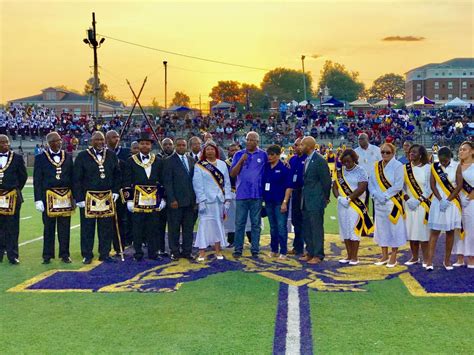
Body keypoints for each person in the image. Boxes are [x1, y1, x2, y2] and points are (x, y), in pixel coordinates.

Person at [73, 131, 121, 264]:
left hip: (106, 196)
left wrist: (116, 191)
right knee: (87, 228)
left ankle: (104, 253)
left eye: (101, 140)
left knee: (106, 227)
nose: (99, 142)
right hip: (89, 197)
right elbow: (77, 178)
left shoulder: (111, 155)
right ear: (91, 141)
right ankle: (87, 254)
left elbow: (117, 174)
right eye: (96, 140)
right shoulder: (82, 156)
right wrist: (79, 198)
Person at [123, 132, 166, 261]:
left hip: (154, 199)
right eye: (142, 143)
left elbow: (163, 181)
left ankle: (153, 253)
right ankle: (138, 253)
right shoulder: (131, 161)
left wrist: (163, 198)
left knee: (153, 228)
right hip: (137, 200)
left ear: (151, 146)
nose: (144, 146)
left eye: (147, 143)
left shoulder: (158, 161)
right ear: (139, 145)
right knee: (137, 228)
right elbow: (126, 181)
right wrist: (129, 200)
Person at [33, 132, 74, 264]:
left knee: (65, 227)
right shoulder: (40, 158)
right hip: (48, 196)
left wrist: (74, 197)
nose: (58, 143)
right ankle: (47, 255)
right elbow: (37, 180)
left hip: (65, 196)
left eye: (59, 141)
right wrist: (38, 199)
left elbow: (72, 178)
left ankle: (65, 254)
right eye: (55, 141)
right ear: (49, 143)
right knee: (48, 227)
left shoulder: (67, 156)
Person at [368, 143, 407, 267]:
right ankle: (384, 255)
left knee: (394, 229)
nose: (384, 154)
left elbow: (398, 185)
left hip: (392, 202)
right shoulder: (376, 166)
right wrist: (375, 194)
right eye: (382, 152)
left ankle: (393, 256)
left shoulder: (398, 166)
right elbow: (371, 182)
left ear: (393, 153)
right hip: (379, 202)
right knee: (381, 229)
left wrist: (384, 195)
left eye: (387, 152)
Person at [230, 132, 267, 258]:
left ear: (257, 142)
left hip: (257, 194)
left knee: (256, 224)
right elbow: (233, 174)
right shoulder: (238, 154)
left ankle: (255, 249)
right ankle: (238, 249)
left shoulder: (263, 155)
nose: (249, 142)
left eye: (253, 140)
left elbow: (270, 168)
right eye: (248, 139)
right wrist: (241, 161)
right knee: (240, 223)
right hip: (241, 194)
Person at [332, 149, 372, 265]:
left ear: (354, 159)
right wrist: (339, 198)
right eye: (344, 162)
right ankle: (348, 256)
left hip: (355, 205)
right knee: (345, 230)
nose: (347, 164)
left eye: (349, 161)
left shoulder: (361, 171)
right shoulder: (339, 172)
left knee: (354, 230)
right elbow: (334, 187)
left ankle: (355, 257)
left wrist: (349, 198)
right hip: (342, 204)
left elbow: (362, 187)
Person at [425, 146, 463, 271]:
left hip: (451, 203)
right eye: (441, 161)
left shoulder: (457, 166)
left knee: (450, 232)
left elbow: (459, 185)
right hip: (438, 202)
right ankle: (429, 261)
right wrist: (440, 199)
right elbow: (432, 184)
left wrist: (448, 200)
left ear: (450, 158)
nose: (443, 163)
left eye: (445, 161)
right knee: (434, 232)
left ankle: (446, 261)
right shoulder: (434, 166)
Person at [193, 141, 232, 261]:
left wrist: (227, 199)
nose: (210, 151)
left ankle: (218, 250)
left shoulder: (222, 164)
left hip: (219, 200)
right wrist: (202, 200)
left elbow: (227, 183)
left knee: (218, 224)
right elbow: (197, 184)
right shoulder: (199, 165)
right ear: (204, 151)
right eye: (207, 149)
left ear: (216, 150)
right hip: (206, 201)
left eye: (212, 149)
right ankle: (202, 251)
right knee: (204, 225)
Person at [162, 137, 196, 260]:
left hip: (190, 201)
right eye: (179, 145)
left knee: (188, 228)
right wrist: (171, 199)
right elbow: (167, 182)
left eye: (183, 145)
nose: (181, 147)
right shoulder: (168, 161)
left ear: (187, 146)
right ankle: (174, 251)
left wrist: (195, 200)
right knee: (174, 228)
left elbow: (195, 182)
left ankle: (187, 251)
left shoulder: (192, 160)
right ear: (175, 146)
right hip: (175, 201)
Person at [300, 136, 332, 265]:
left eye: (302, 145)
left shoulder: (319, 160)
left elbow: (326, 181)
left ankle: (318, 254)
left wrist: (325, 197)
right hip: (306, 199)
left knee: (316, 228)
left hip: (316, 199)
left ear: (308, 146)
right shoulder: (307, 160)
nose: (300, 147)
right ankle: (310, 252)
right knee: (307, 227)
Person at [402, 144, 432, 267]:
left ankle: (426, 259)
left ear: (421, 154)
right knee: (411, 231)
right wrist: (408, 199)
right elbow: (401, 187)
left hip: (422, 204)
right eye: (410, 152)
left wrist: (419, 200)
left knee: (423, 233)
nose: (411, 154)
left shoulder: (428, 168)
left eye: (414, 152)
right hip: (409, 204)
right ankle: (414, 257)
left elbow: (429, 188)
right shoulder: (405, 168)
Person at [0, 135, 27, 264]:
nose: (5, 144)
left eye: (7, 142)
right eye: (2, 142)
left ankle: (13, 254)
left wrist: (14, 190)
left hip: (12, 196)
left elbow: (23, 177)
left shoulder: (17, 158)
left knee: (12, 227)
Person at [262, 145, 292, 259]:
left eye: (272, 154)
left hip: (280, 201)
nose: (269, 157)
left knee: (281, 226)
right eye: (268, 154)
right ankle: (274, 249)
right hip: (269, 201)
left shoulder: (284, 167)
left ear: (278, 155)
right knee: (273, 227)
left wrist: (285, 202)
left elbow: (289, 186)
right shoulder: (266, 167)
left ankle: (283, 251)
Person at [106, 130, 132, 253]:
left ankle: (120, 246)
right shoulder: (103, 153)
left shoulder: (125, 153)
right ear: (107, 139)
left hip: (121, 193)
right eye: (113, 137)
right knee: (106, 222)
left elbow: (129, 174)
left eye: (117, 137)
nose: (116, 139)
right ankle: (106, 247)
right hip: (105, 192)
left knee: (122, 220)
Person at [453, 142, 474, 268]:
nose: (461, 151)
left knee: (471, 230)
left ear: (472, 151)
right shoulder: (456, 166)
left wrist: (469, 197)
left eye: (464, 149)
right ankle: (459, 257)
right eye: (460, 149)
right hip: (457, 202)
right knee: (457, 228)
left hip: (471, 202)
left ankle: (472, 257)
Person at [288, 138, 307, 256]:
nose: (295, 147)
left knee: (305, 221)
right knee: (296, 220)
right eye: (294, 145)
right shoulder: (293, 159)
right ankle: (297, 247)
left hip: (305, 193)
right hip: (294, 192)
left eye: (298, 145)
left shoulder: (308, 159)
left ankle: (308, 248)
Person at [156, 137, 174, 257]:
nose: (167, 146)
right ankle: (160, 248)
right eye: (165, 144)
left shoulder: (177, 158)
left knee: (173, 225)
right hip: (160, 196)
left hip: (173, 197)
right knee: (159, 225)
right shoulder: (156, 159)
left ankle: (174, 248)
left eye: (169, 144)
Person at [354, 133, 382, 208]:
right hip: (361, 180)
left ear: (367, 139)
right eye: (359, 139)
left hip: (374, 179)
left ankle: (376, 219)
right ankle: (364, 219)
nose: (360, 141)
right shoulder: (355, 151)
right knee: (363, 201)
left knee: (376, 201)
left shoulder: (376, 150)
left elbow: (381, 163)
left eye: (362, 139)